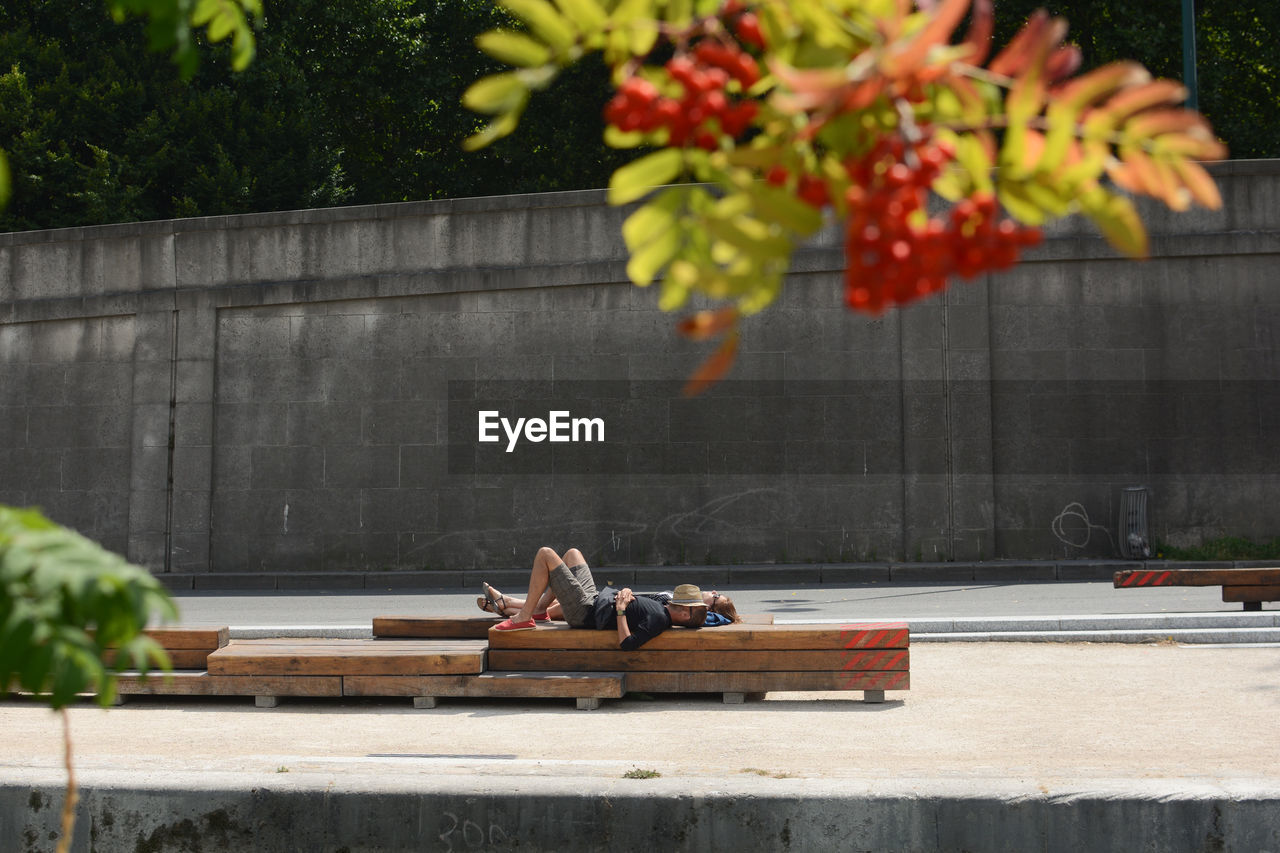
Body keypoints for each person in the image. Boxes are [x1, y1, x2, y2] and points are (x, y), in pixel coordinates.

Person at [481, 546, 706, 650]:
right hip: (596, 597)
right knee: (572, 554)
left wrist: (620, 610)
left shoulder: (660, 620)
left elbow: (628, 644)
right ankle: (539, 609)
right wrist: (627, 592)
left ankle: (524, 617)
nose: (675, 600)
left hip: (585, 611)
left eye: (682, 602)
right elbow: (637, 603)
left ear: (685, 614)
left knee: (545, 554)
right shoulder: (662, 608)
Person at [481, 581, 741, 625]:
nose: (714, 591)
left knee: (554, 604)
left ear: (710, 607)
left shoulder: (687, 610)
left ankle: (506, 604)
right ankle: (504, 606)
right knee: (559, 598)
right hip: (614, 600)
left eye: (717, 597)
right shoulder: (684, 600)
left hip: (608, 608)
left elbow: (718, 620)